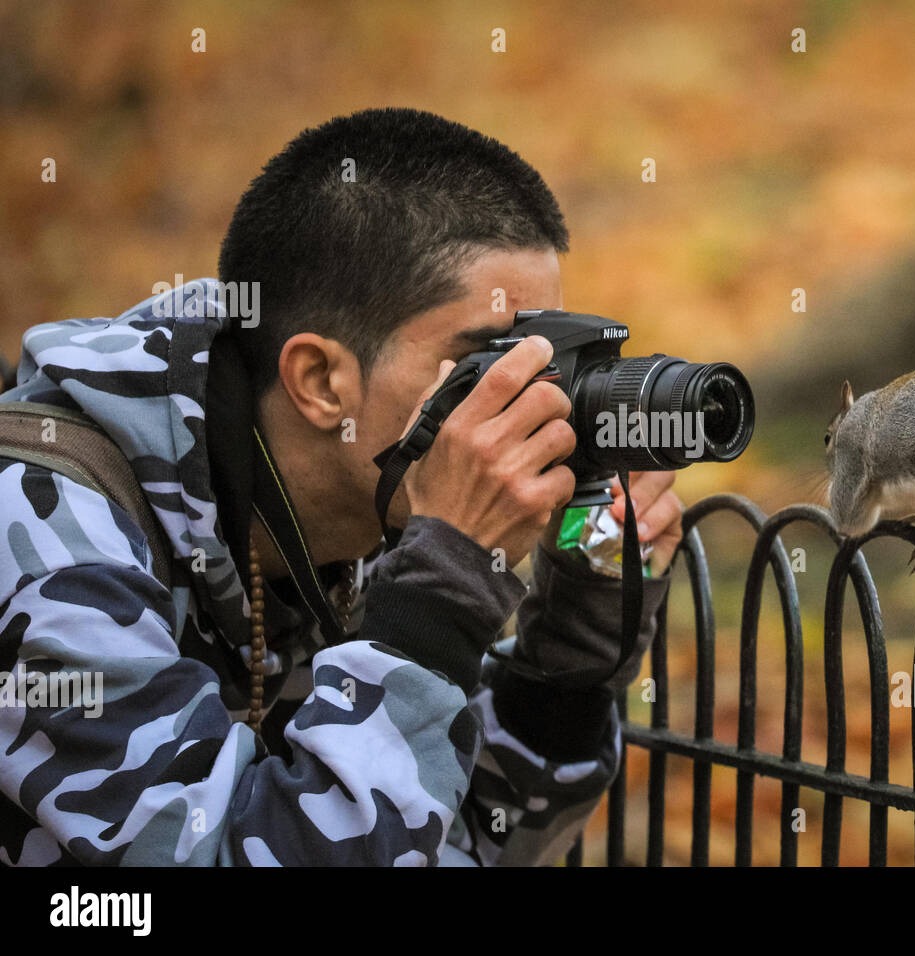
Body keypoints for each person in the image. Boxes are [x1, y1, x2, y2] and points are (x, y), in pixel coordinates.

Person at [0, 107, 681, 866]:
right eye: (488, 362)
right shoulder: (52, 545)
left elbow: (458, 846)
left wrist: (573, 651)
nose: (535, 401)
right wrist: (443, 592)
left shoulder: (353, 523)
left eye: (547, 360)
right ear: (321, 381)